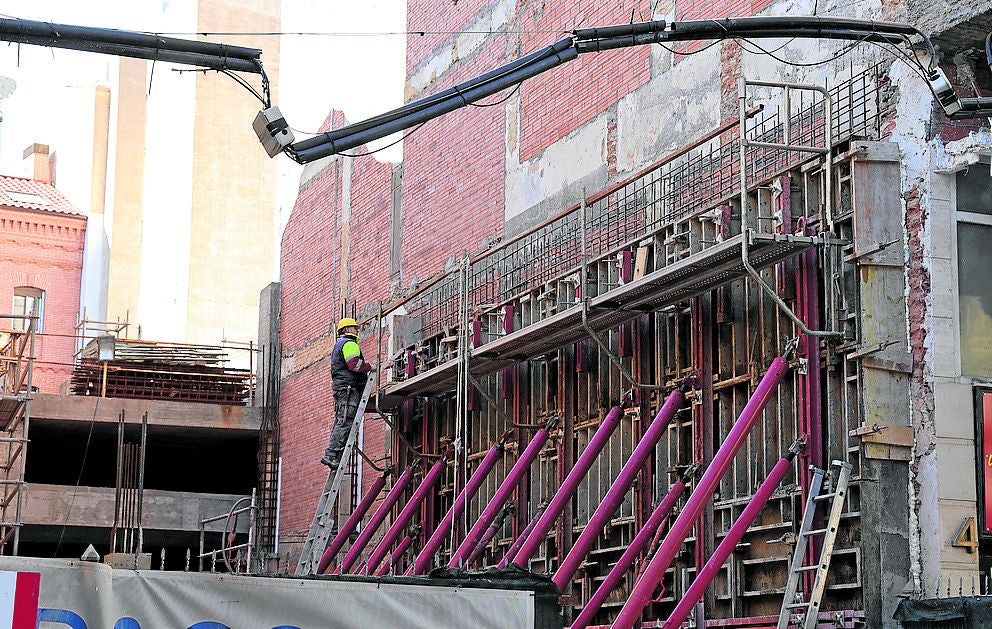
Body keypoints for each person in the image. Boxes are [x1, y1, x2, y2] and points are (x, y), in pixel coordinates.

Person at [321, 317, 373, 469]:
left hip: (342, 387)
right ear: (348, 329)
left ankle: (333, 455)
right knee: (345, 421)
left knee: (341, 421)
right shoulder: (349, 344)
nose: (357, 330)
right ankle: (331, 454)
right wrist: (370, 367)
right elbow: (354, 365)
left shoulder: (339, 344)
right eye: (355, 328)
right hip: (348, 388)